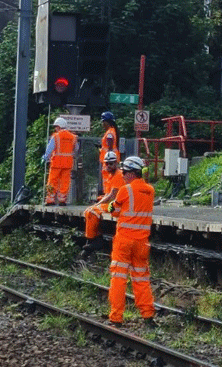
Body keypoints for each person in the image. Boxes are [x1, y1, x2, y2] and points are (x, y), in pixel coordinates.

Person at [106, 156, 156, 327]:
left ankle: (116, 317)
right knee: (141, 279)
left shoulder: (124, 190)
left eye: (125, 172)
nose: (123, 175)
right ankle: (148, 316)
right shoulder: (150, 190)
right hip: (142, 243)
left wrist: (111, 205)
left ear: (132, 173)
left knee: (119, 278)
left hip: (124, 242)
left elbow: (114, 211)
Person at [81, 151, 124, 257]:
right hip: (111, 203)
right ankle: (96, 237)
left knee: (92, 211)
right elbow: (108, 194)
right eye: (106, 163)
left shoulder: (118, 175)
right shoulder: (110, 175)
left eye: (111, 163)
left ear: (116, 163)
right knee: (88, 211)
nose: (108, 165)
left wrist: (97, 204)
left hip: (117, 204)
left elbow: (112, 195)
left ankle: (91, 241)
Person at [42, 117, 78, 206]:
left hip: (56, 163)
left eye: (56, 127)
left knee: (52, 181)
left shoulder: (56, 136)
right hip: (68, 163)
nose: (55, 129)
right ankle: (62, 200)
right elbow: (76, 148)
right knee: (65, 182)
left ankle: (50, 200)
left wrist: (45, 158)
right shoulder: (73, 137)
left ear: (59, 126)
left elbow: (50, 149)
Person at [99, 111, 120, 198]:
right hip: (111, 158)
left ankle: (108, 194)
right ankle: (108, 194)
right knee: (109, 176)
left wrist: (109, 157)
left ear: (106, 122)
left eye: (103, 122)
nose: (102, 124)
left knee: (108, 177)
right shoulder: (112, 131)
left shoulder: (110, 133)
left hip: (109, 159)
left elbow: (110, 146)